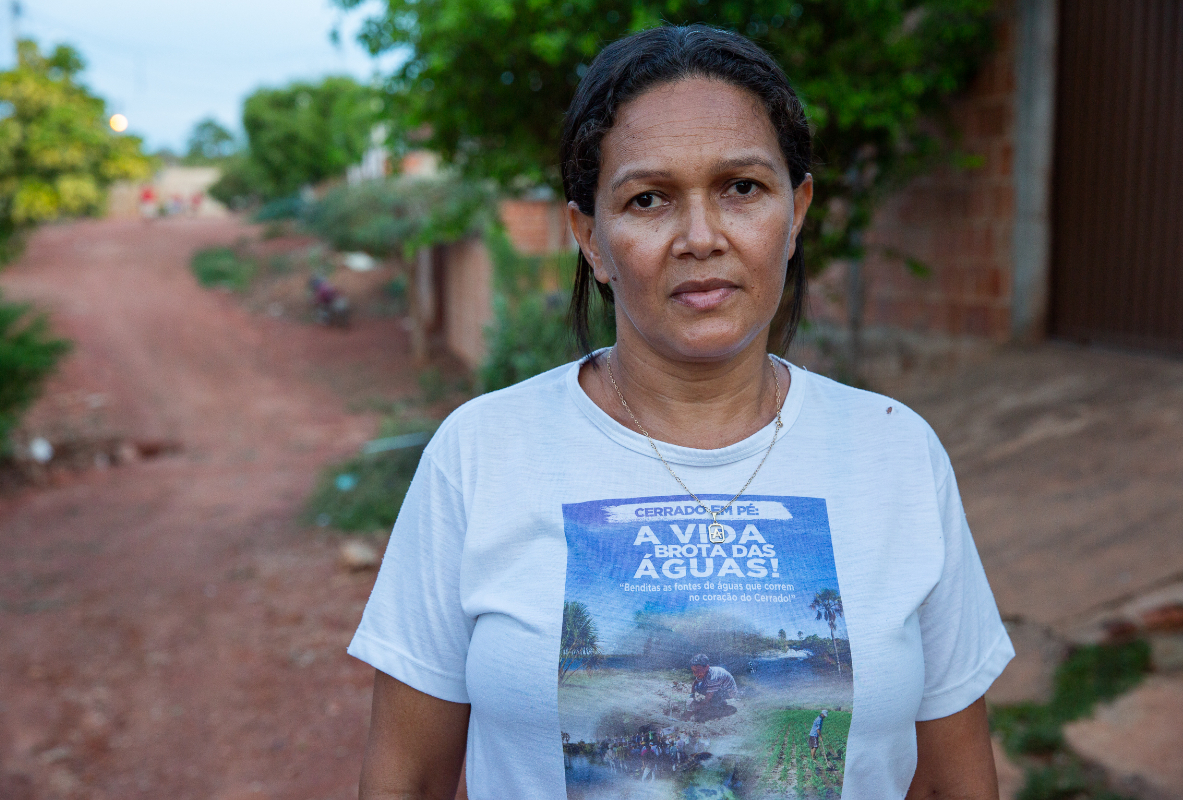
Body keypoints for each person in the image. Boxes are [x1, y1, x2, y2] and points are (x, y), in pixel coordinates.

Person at [352, 24, 1012, 800]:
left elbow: (953, 783)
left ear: (796, 212)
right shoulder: (483, 453)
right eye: (648, 199)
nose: (701, 238)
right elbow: (408, 778)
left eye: (741, 188)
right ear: (590, 238)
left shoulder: (895, 452)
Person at [686, 654, 738, 721]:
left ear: (707, 667)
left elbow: (707, 698)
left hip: (729, 692)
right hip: (721, 687)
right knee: (698, 687)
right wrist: (691, 696)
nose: (695, 673)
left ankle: (719, 702)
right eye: (693, 671)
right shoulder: (704, 673)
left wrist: (695, 709)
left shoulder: (713, 678)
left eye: (698, 670)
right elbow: (695, 683)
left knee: (710, 698)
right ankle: (716, 699)